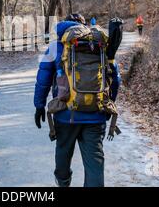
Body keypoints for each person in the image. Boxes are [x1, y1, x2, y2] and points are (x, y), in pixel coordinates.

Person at [33, 14, 121, 187]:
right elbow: (114, 79)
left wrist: (39, 106)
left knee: (63, 154)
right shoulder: (99, 46)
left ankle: (63, 181)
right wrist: (108, 104)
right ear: (84, 27)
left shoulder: (56, 47)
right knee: (95, 164)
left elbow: (43, 80)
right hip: (95, 115)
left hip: (65, 115)